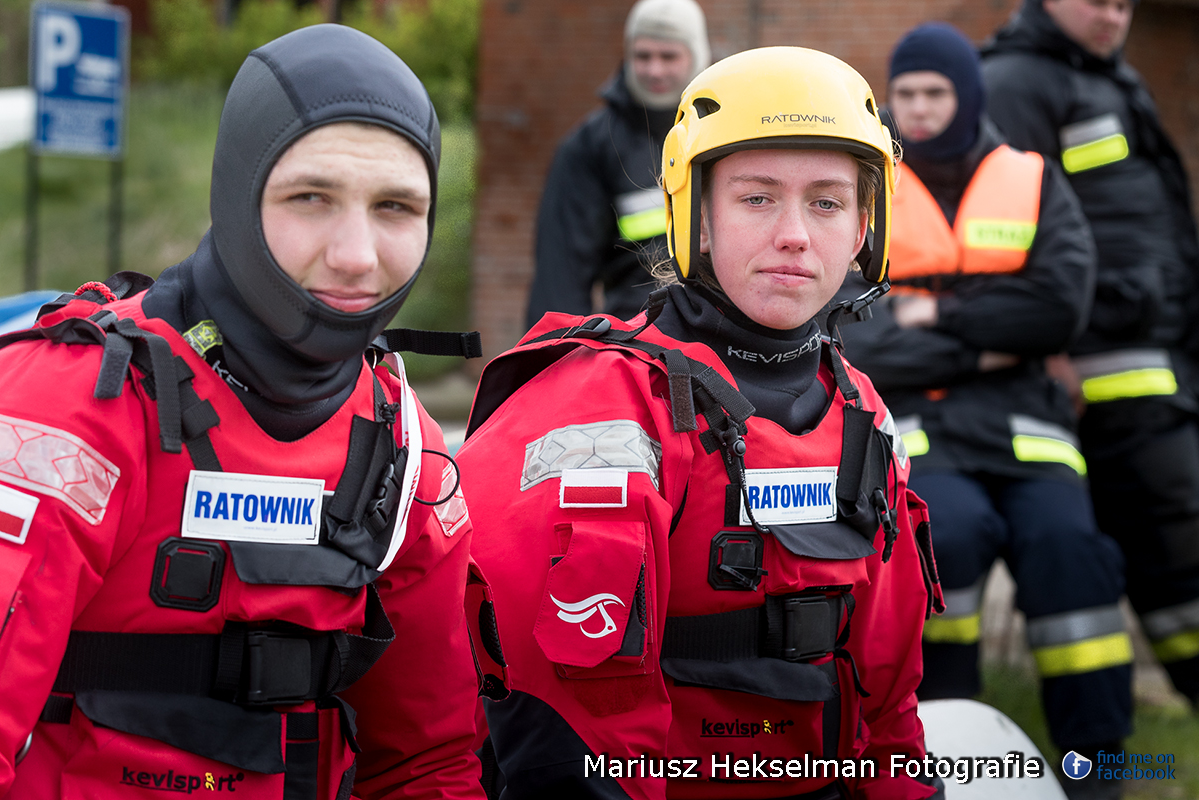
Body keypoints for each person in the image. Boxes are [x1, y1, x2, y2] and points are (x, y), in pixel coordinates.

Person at [0, 25, 491, 800]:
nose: (357, 255)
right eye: (310, 198)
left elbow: (430, 764)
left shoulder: (403, 447)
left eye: (396, 207)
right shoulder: (73, 405)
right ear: (236, 195)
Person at [459, 46, 944, 799]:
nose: (795, 234)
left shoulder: (863, 414)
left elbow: (889, 702)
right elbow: (575, 736)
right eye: (757, 199)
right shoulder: (605, 407)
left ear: (861, 231)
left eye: (826, 202)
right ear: (699, 218)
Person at [835, 23, 1131, 796]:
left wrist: (936, 314)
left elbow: (1059, 309)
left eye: (935, 92)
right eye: (906, 93)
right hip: (921, 427)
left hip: (1030, 429)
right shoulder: (866, 189)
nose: (919, 108)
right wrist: (989, 342)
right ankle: (942, 752)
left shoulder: (1032, 180)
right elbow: (858, 335)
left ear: (967, 95)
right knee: (946, 539)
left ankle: (1100, 770)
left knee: (1071, 551)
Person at [982, 0, 1199, 707]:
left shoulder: (1109, 79)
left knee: (1174, 539)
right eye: (1096, 0)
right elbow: (999, 235)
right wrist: (1045, 350)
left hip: (1156, 354)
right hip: (1093, 367)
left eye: (1123, 4)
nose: (1113, 16)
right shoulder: (1016, 82)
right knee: (1171, 537)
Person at [523, 0, 710, 328]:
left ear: (696, 55)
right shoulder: (590, 147)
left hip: (729, 338)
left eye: (669, 56)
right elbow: (561, 275)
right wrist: (554, 353)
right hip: (640, 340)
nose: (654, 70)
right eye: (642, 56)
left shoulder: (730, 133)